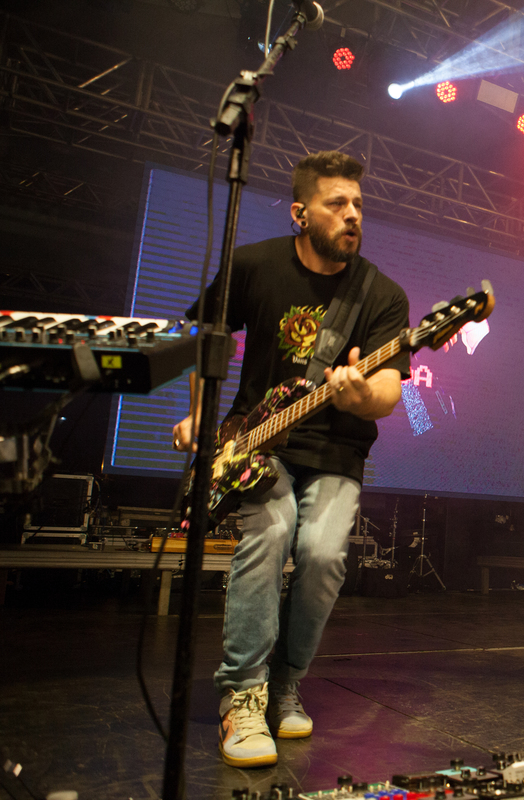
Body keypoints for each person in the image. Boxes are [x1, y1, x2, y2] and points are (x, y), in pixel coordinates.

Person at [172, 151, 410, 768]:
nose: (353, 215)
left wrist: (359, 397)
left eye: (358, 205)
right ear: (301, 213)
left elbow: (388, 391)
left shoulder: (383, 295)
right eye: (338, 203)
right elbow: (202, 335)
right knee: (272, 532)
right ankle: (243, 693)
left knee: (323, 555)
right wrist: (198, 414)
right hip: (258, 445)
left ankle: (284, 683)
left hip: (336, 451)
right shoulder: (254, 265)